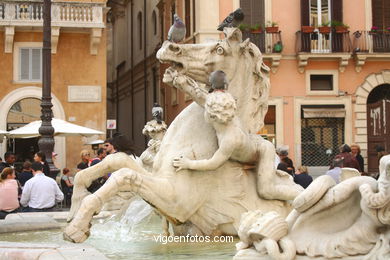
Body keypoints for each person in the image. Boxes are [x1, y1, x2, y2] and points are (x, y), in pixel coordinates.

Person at [172, 89, 302, 201]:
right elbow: (203, 100)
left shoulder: (229, 139)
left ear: (213, 116)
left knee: (266, 191)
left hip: (262, 151)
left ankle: (302, 194)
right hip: (252, 143)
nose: (203, 110)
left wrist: (188, 164)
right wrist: (182, 83)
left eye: (206, 110)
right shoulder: (227, 116)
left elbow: (213, 163)